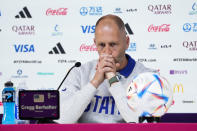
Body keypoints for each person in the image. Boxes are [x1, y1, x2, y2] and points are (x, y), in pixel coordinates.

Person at [56, 14, 156, 123]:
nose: (107, 52)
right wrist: (94, 83)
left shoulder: (147, 77)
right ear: (95, 43)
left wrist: (113, 80)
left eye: (113, 44)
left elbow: (142, 124)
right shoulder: (79, 72)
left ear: (127, 42)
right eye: (102, 45)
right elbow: (62, 120)